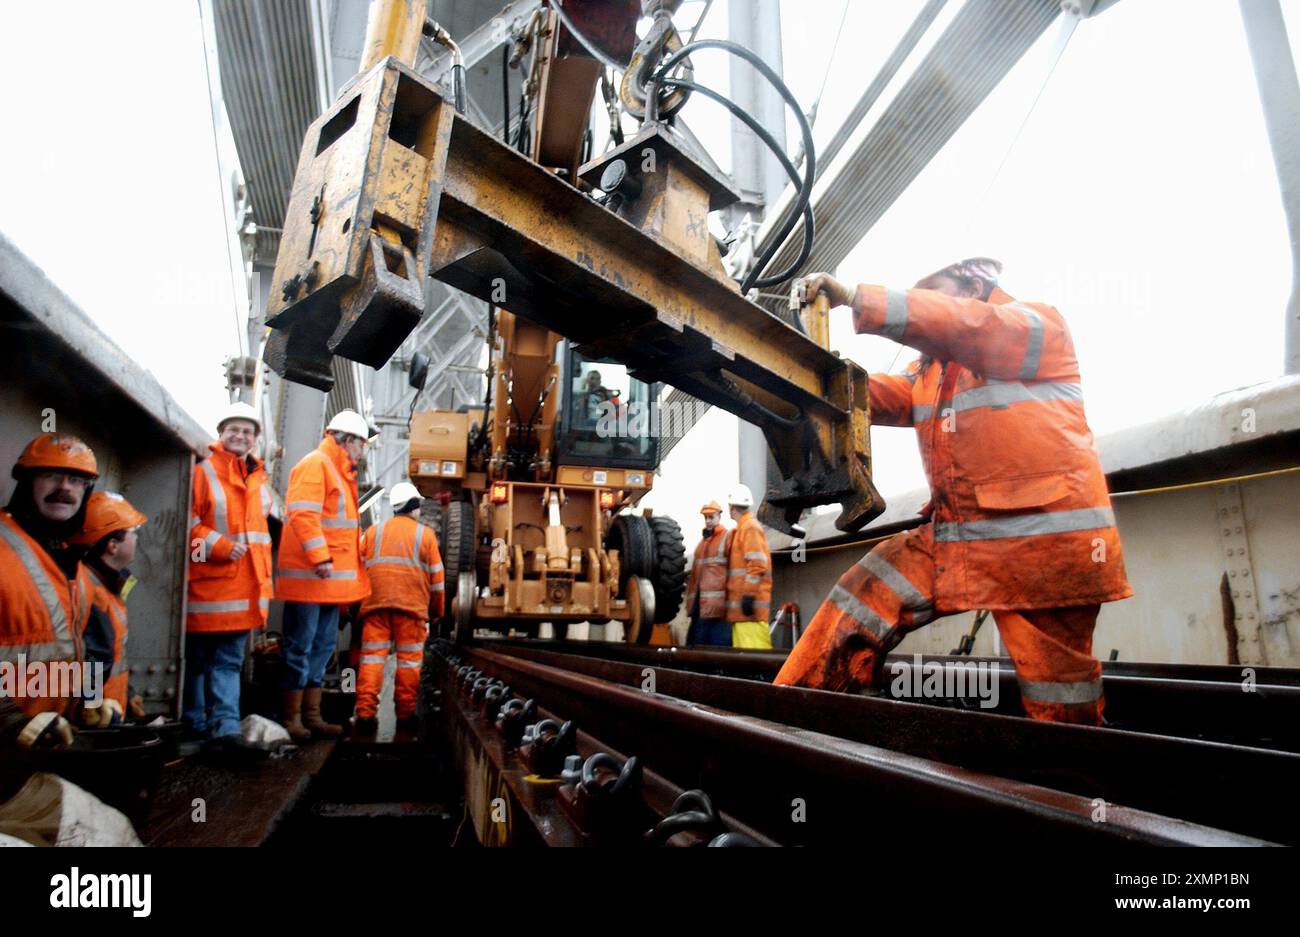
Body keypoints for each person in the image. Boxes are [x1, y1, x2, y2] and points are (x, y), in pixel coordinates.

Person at [774, 258, 1132, 724]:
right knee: (863, 594)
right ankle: (791, 719)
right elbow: (869, 394)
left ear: (975, 281)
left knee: (1060, 707)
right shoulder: (932, 373)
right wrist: (803, 376)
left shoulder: (1034, 327)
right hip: (963, 542)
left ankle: (1071, 789)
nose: (925, 308)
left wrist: (857, 298)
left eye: (934, 294)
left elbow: (968, 327)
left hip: (1045, 554)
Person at [275, 409, 371, 740]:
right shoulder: (317, 465)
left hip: (329, 587)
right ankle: (291, 718)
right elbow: (303, 513)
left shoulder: (339, 472)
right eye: (362, 443)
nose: (363, 450)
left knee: (319, 647)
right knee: (300, 647)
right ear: (348, 440)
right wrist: (320, 557)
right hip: (311, 579)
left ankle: (311, 716)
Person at [184, 402, 274, 748]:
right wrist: (218, 546)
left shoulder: (257, 482)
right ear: (220, 434)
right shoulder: (203, 473)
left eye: (247, 431)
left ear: (254, 440)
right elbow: (187, 527)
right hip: (207, 592)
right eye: (233, 430)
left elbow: (259, 539)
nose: (240, 436)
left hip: (241, 593)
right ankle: (196, 723)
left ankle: (224, 728)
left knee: (226, 662)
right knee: (199, 662)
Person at [0, 433, 98, 749]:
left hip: (46, 746)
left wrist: (92, 700)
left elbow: (78, 649)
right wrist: (13, 722)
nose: (65, 488)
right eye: (51, 475)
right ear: (27, 483)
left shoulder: (74, 567)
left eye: (77, 480)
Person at [353, 482, 445, 737]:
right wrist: (437, 612)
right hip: (411, 610)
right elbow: (437, 580)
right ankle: (404, 717)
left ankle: (364, 715)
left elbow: (357, 571)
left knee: (371, 661)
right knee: (408, 664)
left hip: (375, 608)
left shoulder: (372, 533)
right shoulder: (425, 536)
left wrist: (352, 608)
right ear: (414, 507)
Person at [69, 491, 147, 726]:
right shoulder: (94, 593)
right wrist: (92, 707)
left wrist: (129, 693)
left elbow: (111, 656)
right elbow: (91, 661)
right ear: (113, 545)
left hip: (108, 713)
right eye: (133, 533)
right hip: (98, 723)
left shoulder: (104, 587)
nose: (137, 539)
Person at [724, 485, 773, 650]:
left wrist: (748, 597)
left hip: (750, 612)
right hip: (743, 613)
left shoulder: (750, 528)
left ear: (731, 508)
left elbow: (757, 565)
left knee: (755, 661)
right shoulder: (742, 529)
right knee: (744, 661)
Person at [683, 501, 730, 647]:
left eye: (711, 517)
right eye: (706, 518)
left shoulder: (726, 538)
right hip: (700, 607)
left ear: (719, 517)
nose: (708, 521)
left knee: (715, 647)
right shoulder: (702, 544)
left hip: (717, 609)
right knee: (695, 645)